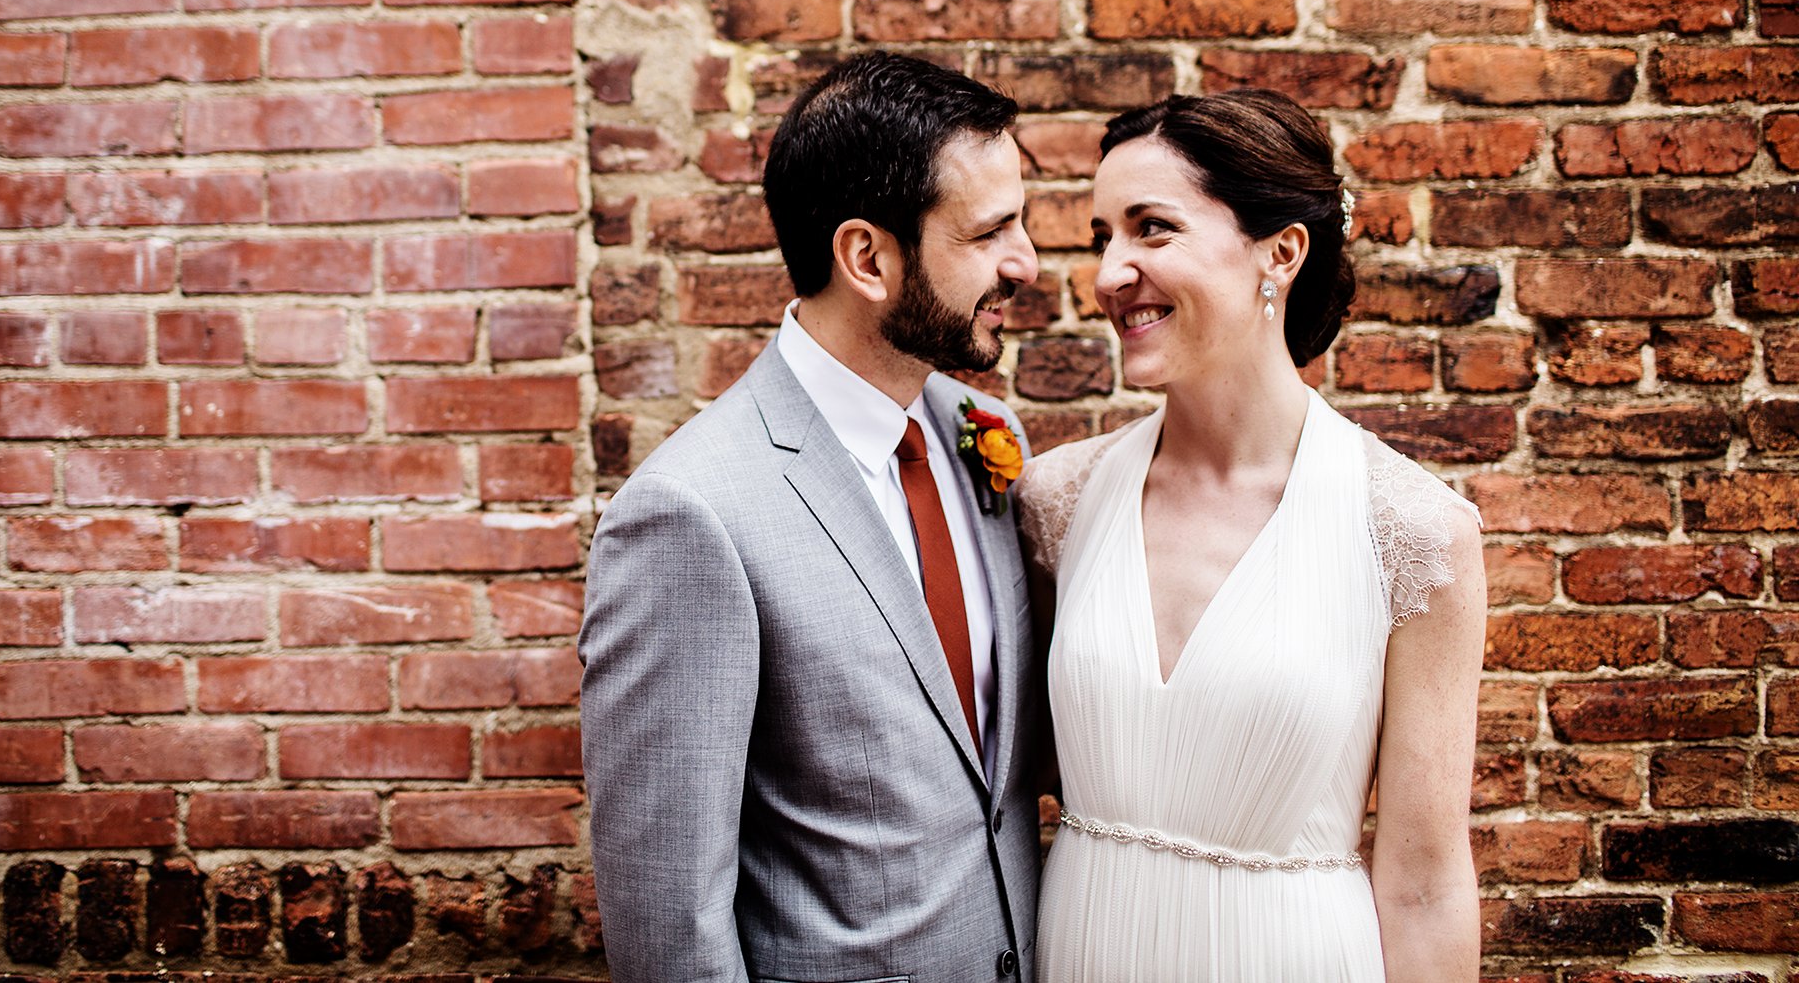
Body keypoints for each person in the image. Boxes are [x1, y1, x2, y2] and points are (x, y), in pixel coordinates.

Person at [580, 53, 1046, 982]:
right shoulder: (690, 516)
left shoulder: (982, 434)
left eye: (1020, 220)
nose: (1025, 263)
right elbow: (671, 921)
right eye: (990, 232)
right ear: (866, 258)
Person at [1016, 88, 1486, 982]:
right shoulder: (1058, 501)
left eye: (1151, 229)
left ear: (1282, 252)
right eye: (1100, 237)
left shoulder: (1414, 532)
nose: (1110, 272)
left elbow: (1425, 884)